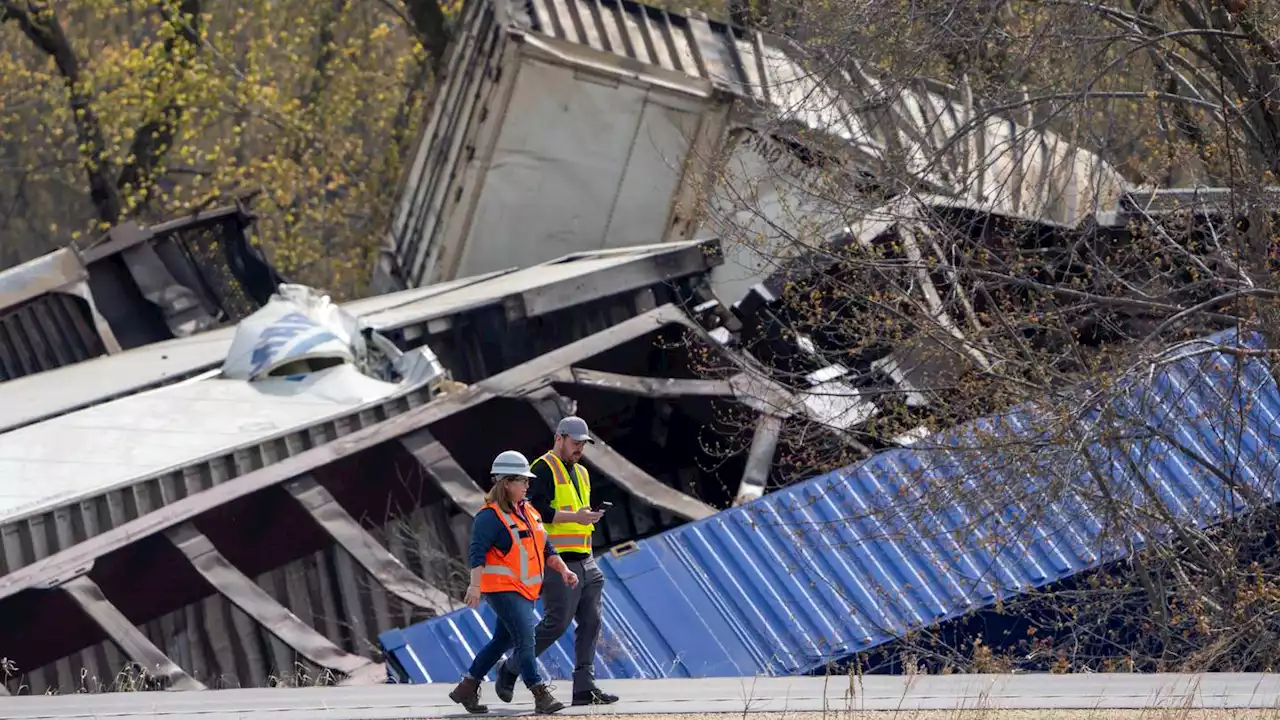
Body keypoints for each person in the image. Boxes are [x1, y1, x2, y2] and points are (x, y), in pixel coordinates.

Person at [494, 416, 619, 707]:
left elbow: (574, 511)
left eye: (583, 445)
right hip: (557, 561)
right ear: (559, 438)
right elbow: (534, 510)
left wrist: (587, 516)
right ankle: (510, 668)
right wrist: (576, 517)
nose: (579, 450)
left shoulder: (583, 473)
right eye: (575, 443)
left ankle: (584, 688)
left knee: (592, 621)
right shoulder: (541, 469)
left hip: (586, 558)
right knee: (556, 623)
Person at [448, 450, 580, 715]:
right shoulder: (489, 517)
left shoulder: (529, 511)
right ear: (506, 482)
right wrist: (475, 586)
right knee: (526, 638)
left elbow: (546, 547)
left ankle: (466, 688)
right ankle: (539, 693)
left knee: (500, 642)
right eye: (522, 480)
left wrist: (564, 570)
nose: (527, 485)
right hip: (502, 589)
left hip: (525, 589)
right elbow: (477, 552)